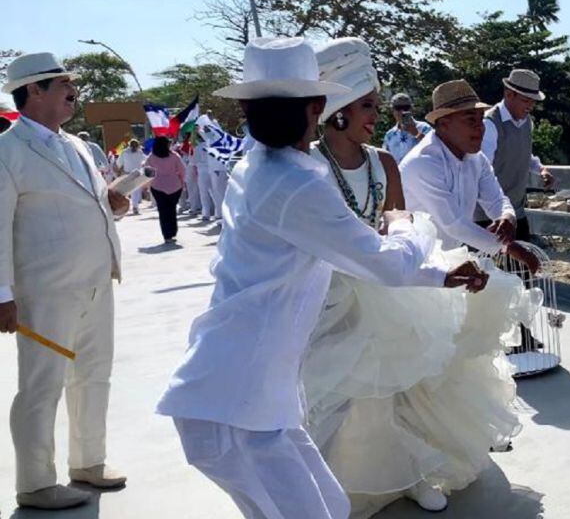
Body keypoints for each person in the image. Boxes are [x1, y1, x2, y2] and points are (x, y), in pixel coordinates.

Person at [156, 38, 487, 519]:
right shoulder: (297, 181)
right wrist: (407, 223)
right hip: (236, 405)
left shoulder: (259, 167)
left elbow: (350, 254)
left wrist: (439, 273)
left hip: (253, 394)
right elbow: (385, 261)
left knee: (329, 503)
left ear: (246, 109)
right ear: (318, 107)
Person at [304, 38, 533, 517]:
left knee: (411, 385)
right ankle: (330, 483)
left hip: (395, 282)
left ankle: (415, 472)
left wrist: (434, 268)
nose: (378, 115)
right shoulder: (309, 167)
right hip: (332, 292)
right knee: (346, 396)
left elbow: (399, 223)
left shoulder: (384, 162)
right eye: (368, 106)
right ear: (337, 111)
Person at [0, 52, 130, 510]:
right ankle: (35, 483)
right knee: (42, 385)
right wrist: (1, 294)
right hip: (45, 291)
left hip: (96, 281)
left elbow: (84, 201)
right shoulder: (7, 150)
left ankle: (88, 462)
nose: (73, 87)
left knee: (94, 375)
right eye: (62, 82)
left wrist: (110, 202)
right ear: (33, 90)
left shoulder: (74, 144)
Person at [401, 79, 541, 274]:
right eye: (470, 120)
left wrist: (506, 216)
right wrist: (510, 247)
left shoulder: (476, 159)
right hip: (415, 265)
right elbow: (454, 224)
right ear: (443, 124)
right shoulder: (423, 162)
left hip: (451, 259)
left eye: (481, 119)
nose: (480, 127)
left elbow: (496, 199)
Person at [477, 68, 556, 242]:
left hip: (515, 211)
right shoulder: (489, 124)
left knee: (522, 267)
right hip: (487, 215)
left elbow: (525, 154)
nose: (530, 106)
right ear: (508, 94)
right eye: (526, 100)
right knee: (486, 267)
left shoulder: (527, 122)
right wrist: (498, 212)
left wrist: (540, 169)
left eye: (533, 102)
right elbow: (481, 172)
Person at [144, 136, 186, 243]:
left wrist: (148, 185)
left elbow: (146, 172)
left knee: (163, 212)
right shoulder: (174, 156)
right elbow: (182, 170)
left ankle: (167, 235)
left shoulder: (151, 157)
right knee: (172, 209)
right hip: (175, 186)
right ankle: (172, 231)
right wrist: (182, 183)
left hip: (157, 186)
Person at [383, 92, 432, 163]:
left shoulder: (424, 128)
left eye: (406, 108)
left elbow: (435, 147)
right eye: (398, 108)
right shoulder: (389, 135)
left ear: (411, 109)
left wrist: (416, 133)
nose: (402, 111)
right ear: (392, 110)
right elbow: (385, 160)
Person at [115, 138, 147, 214]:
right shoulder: (138, 152)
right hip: (133, 174)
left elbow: (119, 163)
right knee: (133, 191)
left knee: (130, 191)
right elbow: (145, 161)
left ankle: (131, 207)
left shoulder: (125, 152)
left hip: (131, 174)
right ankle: (133, 207)